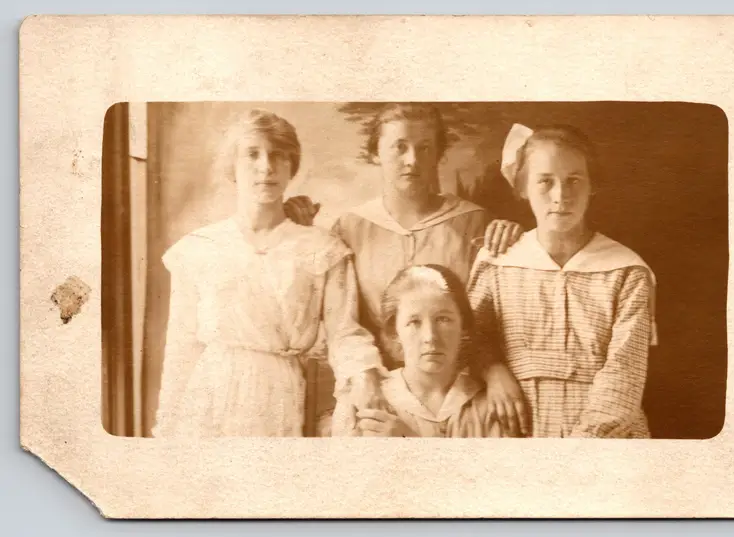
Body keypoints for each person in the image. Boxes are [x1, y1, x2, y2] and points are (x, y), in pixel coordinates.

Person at [286, 103, 529, 436]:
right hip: (377, 395)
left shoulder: (475, 223)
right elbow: (340, 322)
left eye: (425, 147)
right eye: (399, 147)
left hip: (458, 398)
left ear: (440, 153)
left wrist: (494, 370)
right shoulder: (350, 228)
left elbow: (491, 318)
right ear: (376, 153)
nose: (412, 159)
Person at [152, 108, 386, 438]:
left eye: (278, 155)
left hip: (279, 395)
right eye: (252, 154)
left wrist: (365, 377)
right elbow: (182, 346)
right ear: (232, 166)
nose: (266, 166)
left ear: (292, 166)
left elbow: (344, 333)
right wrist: (167, 426)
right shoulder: (200, 248)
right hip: (208, 396)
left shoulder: (323, 249)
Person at [466, 123, 658, 438]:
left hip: (605, 436)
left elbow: (624, 374)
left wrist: (580, 445)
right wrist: (493, 371)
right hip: (517, 429)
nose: (561, 196)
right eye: (545, 181)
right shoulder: (498, 263)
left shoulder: (626, 272)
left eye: (574, 181)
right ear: (522, 187)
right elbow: (469, 337)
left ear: (592, 185)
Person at [340, 264, 512, 438]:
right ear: (395, 332)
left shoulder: (492, 406)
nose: (430, 336)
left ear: (464, 327)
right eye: (414, 322)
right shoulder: (368, 403)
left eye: (443, 319)